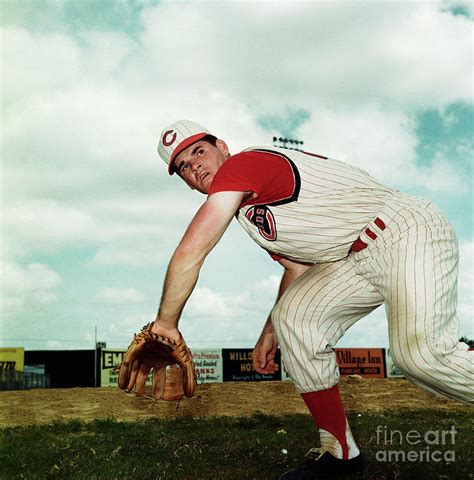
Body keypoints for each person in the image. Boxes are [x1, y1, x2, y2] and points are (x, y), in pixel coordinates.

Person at [153, 119, 473, 479]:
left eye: (199, 151)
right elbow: (298, 269)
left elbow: (191, 251)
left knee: (423, 357)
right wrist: (270, 331)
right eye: (183, 166)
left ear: (222, 147)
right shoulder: (249, 213)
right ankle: (340, 455)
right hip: (353, 258)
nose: (194, 165)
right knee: (293, 318)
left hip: (403, 231)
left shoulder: (244, 165)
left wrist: (166, 324)